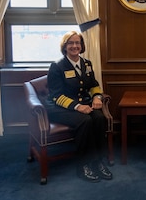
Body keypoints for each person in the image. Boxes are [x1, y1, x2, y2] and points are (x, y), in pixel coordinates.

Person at [45, 31, 112, 183]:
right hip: (60, 108)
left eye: (77, 43)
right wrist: (77, 106)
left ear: (82, 46)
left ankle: (98, 161)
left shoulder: (86, 64)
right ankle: (83, 165)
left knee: (100, 118)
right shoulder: (57, 66)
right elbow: (56, 95)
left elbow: (94, 85)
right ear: (65, 46)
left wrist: (97, 97)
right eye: (71, 43)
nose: (75, 46)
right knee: (85, 121)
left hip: (84, 104)